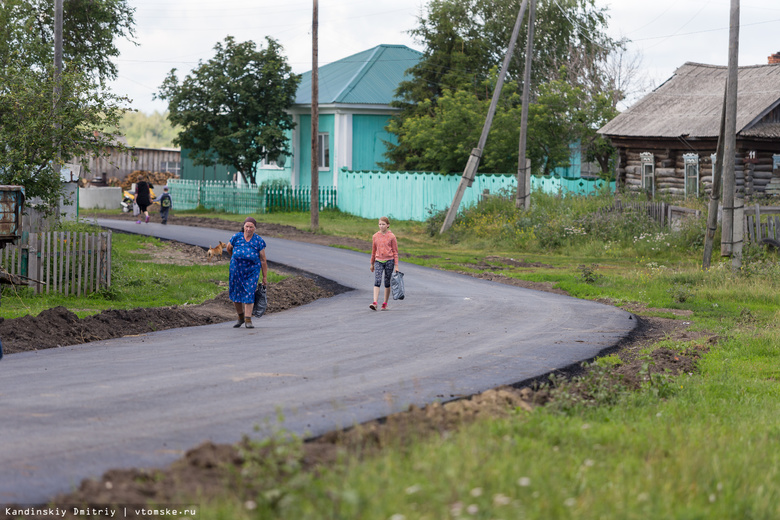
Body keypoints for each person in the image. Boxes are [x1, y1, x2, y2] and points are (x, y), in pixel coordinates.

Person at [226, 217, 268, 328]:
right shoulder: (236, 237)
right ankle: (240, 317)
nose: (248, 229)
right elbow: (228, 248)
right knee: (236, 293)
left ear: (255, 228)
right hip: (236, 270)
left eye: (251, 227)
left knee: (249, 292)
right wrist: (236, 258)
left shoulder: (258, 241)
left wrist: (264, 277)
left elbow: (263, 260)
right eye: (247, 226)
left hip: (252, 271)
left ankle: (248, 319)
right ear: (243, 226)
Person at [369, 216, 399, 311]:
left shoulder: (392, 236)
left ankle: (385, 303)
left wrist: (396, 266)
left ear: (388, 225)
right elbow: (373, 251)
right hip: (378, 261)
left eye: (383, 224)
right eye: (380, 224)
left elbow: (395, 252)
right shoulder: (375, 236)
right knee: (377, 280)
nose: (381, 226)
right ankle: (375, 302)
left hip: (389, 261)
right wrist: (372, 263)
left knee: (387, 282)